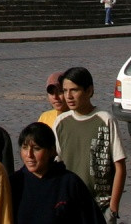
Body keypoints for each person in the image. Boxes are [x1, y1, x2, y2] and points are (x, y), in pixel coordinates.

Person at [53, 67, 124, 222]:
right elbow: (55, 166)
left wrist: (113, 208)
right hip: (69, 207)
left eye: (74, 90)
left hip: (100, 208)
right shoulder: (60, 123)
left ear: (89, 91)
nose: (68, 96)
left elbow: (120, 167)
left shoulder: (105, 120)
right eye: (65, 91)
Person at [11, 121, 100, 224]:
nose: (29, 154)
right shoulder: (14, 183)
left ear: (52, 151)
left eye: (36, 148)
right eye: (24, 147)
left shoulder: (69, 183)